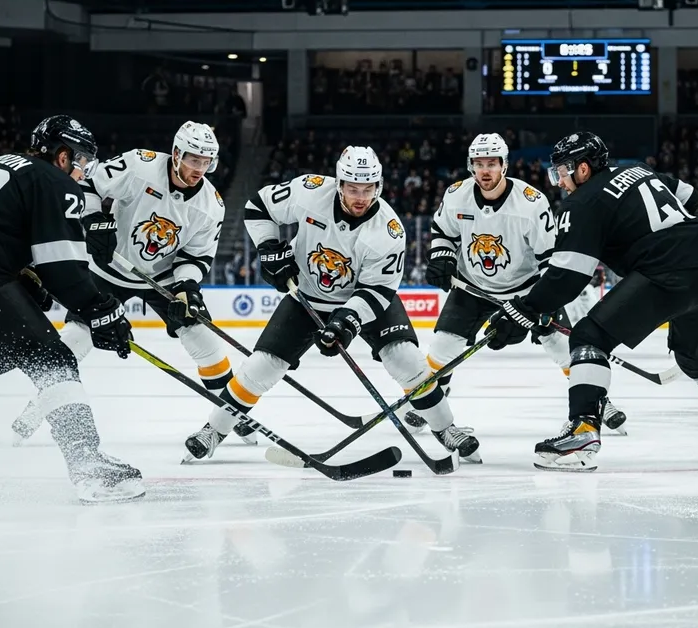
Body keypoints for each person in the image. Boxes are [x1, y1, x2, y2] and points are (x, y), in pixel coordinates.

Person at [182, 146, 480, 465]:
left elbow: (377, 291)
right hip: (307, 296)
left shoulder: (389, 230)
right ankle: (214, 430)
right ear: (339, 184)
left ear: (378, 186)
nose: (360, 197)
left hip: (365, 299)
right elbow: (258, 208)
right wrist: (269, 249)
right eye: (353, 188)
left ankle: (446, 428)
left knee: (406, 360)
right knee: (261, 366)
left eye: (368, 189)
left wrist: (346, 321)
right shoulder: (309, 191)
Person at [486, 131, 698, 470]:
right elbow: (692, 199)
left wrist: (523, 309)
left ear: (583, 169)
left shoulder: (583, 201)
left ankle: (583, 431)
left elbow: (568, 276)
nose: (558, 182)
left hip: (667, 271)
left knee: (589, 337)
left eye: (561, 172)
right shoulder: (639, 170)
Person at [0, 115, 144, 503]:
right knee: (53, 361)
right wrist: (100, 308)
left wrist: (21, 274)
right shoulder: (55, 181)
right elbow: (62, 268)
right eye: (81, 161)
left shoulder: (3, 164)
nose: (83, 172)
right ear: (62, 156)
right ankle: (87, 464)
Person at [10, 121, 239, 445]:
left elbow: (197, 256)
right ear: (176, 154)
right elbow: (88, 184)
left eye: (206, 162)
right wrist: (92, 219)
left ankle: (230, 415)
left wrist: (187, 288)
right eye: (193, 160)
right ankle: (38, 407)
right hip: (107, 268)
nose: (199, 169)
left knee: (207, 344)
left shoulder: (211, 205)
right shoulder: (139, 165)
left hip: (162, 278)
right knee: (76, 339)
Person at [408, 132, 627, 435]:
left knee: (563, 347)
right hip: (473, 287)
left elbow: (551, 257)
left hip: (525, 292)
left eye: (492, 163)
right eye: (479, 163)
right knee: (443, 347)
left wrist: (543, 303)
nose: (485, 170)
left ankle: (598, 400)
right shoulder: (456, 194)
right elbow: (442, 230)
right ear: (471, 166)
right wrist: (442, 256)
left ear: (504, 165)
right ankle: (432, 401)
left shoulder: (530, 203)